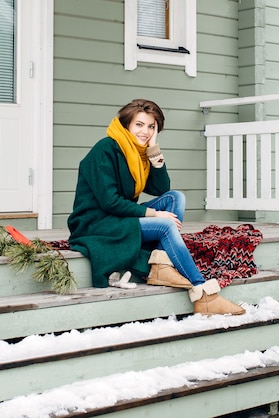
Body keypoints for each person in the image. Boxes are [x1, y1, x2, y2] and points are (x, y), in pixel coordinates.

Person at [67, 99, 244, 316]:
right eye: (139, 125)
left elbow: (161, 188)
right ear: (126, 125)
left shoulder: (139, 153)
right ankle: (203, 293)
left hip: (119, 216)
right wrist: (153, 214)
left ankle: (160, 263)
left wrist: (154, 151)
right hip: (96, 222)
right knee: (165, 226)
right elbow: (109, 202)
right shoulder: (105, 149)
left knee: (174, 198)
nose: (145, 131)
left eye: (151, 126)